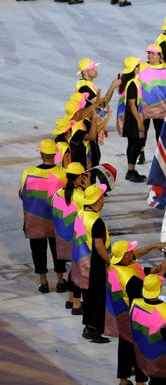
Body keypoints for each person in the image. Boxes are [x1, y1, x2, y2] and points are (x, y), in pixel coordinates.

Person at [105, 240, 166, 385]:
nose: (134, 252)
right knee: (140, 348)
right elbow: (149, 291)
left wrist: (157, 264)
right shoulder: (130, 280)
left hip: (120, 312)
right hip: (133, 314)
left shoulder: (115, 265)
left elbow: (141, 271)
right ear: (125, 256)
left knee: (125, 347)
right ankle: (139, 381)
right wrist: (164, 271)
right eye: (131, 251)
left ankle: (124, 380)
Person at [19, 139, 67, 293]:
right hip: (56, 220)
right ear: (55, 155)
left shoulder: (29, 172)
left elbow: (22, 194)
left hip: (35, 220)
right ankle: (60, 281)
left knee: (37, 250)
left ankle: (44, 282)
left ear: (41, 154)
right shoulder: (63, 173)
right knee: (57, 249)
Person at [73, 183, 110, 344]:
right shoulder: (96, 221)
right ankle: (93, 329)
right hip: (94, 265)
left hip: (81, 264)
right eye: (101, 198)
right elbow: (99, 245)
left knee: (88, 298)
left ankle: (88, 326)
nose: (103, 201)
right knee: (98, 298)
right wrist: (109, 261)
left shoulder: (80, 214)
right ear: (96, 200)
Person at [51, 162, 87, 314]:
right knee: (76, 271)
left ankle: (70, 298)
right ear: (78, 178)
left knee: (71, 269)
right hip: (77, 240)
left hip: (61, 238)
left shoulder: (57, 193)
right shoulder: (80, 196)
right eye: (82, 176)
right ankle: (74, 302)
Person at [129, 274, 166, 384]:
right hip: (161, 358)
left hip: (141, 353)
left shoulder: (134, 303)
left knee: (140, 379)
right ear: (160, 289)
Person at [138, 43, 166, 164]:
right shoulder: (141, 66)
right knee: (142, 131)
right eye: (148, 53)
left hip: (162, 107)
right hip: (144, 106)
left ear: (159, 55)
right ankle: (141, 153)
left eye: (153, 53)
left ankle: (160, 155)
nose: (150, 56)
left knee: (161, 132)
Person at [116, 56, 146, 183]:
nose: (140, 67)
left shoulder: (128, 81)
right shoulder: (132, 84)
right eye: (138, 66)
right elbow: (132, 104)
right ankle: (131, 171)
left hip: (130, 117)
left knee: (132, 144)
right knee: (137, 143)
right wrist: (139, 122)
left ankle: (131, 170)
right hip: (132, 118)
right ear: (134, 69)